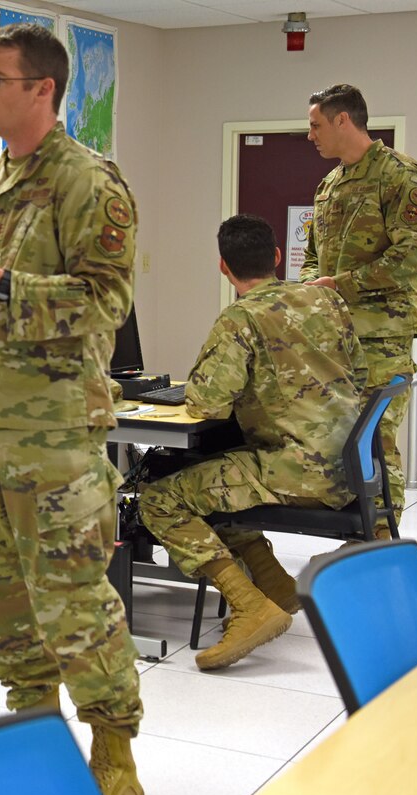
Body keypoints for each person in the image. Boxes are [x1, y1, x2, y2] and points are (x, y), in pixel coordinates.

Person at [0, 23, 149, 795]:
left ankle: (113, 756)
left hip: (53, 435)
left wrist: (2, 284)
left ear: (41, 90)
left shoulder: (88, 182)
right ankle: (35, 736)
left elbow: (105, 302)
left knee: (71, 598)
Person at [140, 215, 368, 671]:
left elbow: (207, 402)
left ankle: (250, 607)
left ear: (223, 266)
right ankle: (274, 584)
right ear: (278, 257)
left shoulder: (240, 318)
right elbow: (360, 373)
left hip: (296, 471)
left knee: (159, 498)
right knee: (212, 472)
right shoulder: (327, 300)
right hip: (351, 468)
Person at [300, 83, 417, 532]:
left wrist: (339, 286)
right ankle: (355, 534)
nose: (310, 135)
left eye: (316, 125)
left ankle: (380, 540)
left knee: (376, 441)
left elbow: (410, 259)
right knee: (339, 440)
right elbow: (313, 255)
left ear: (343, 120)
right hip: (335, 335)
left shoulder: (400, 176)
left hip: (382, 336)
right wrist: (312, 287)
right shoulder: (329, 185)